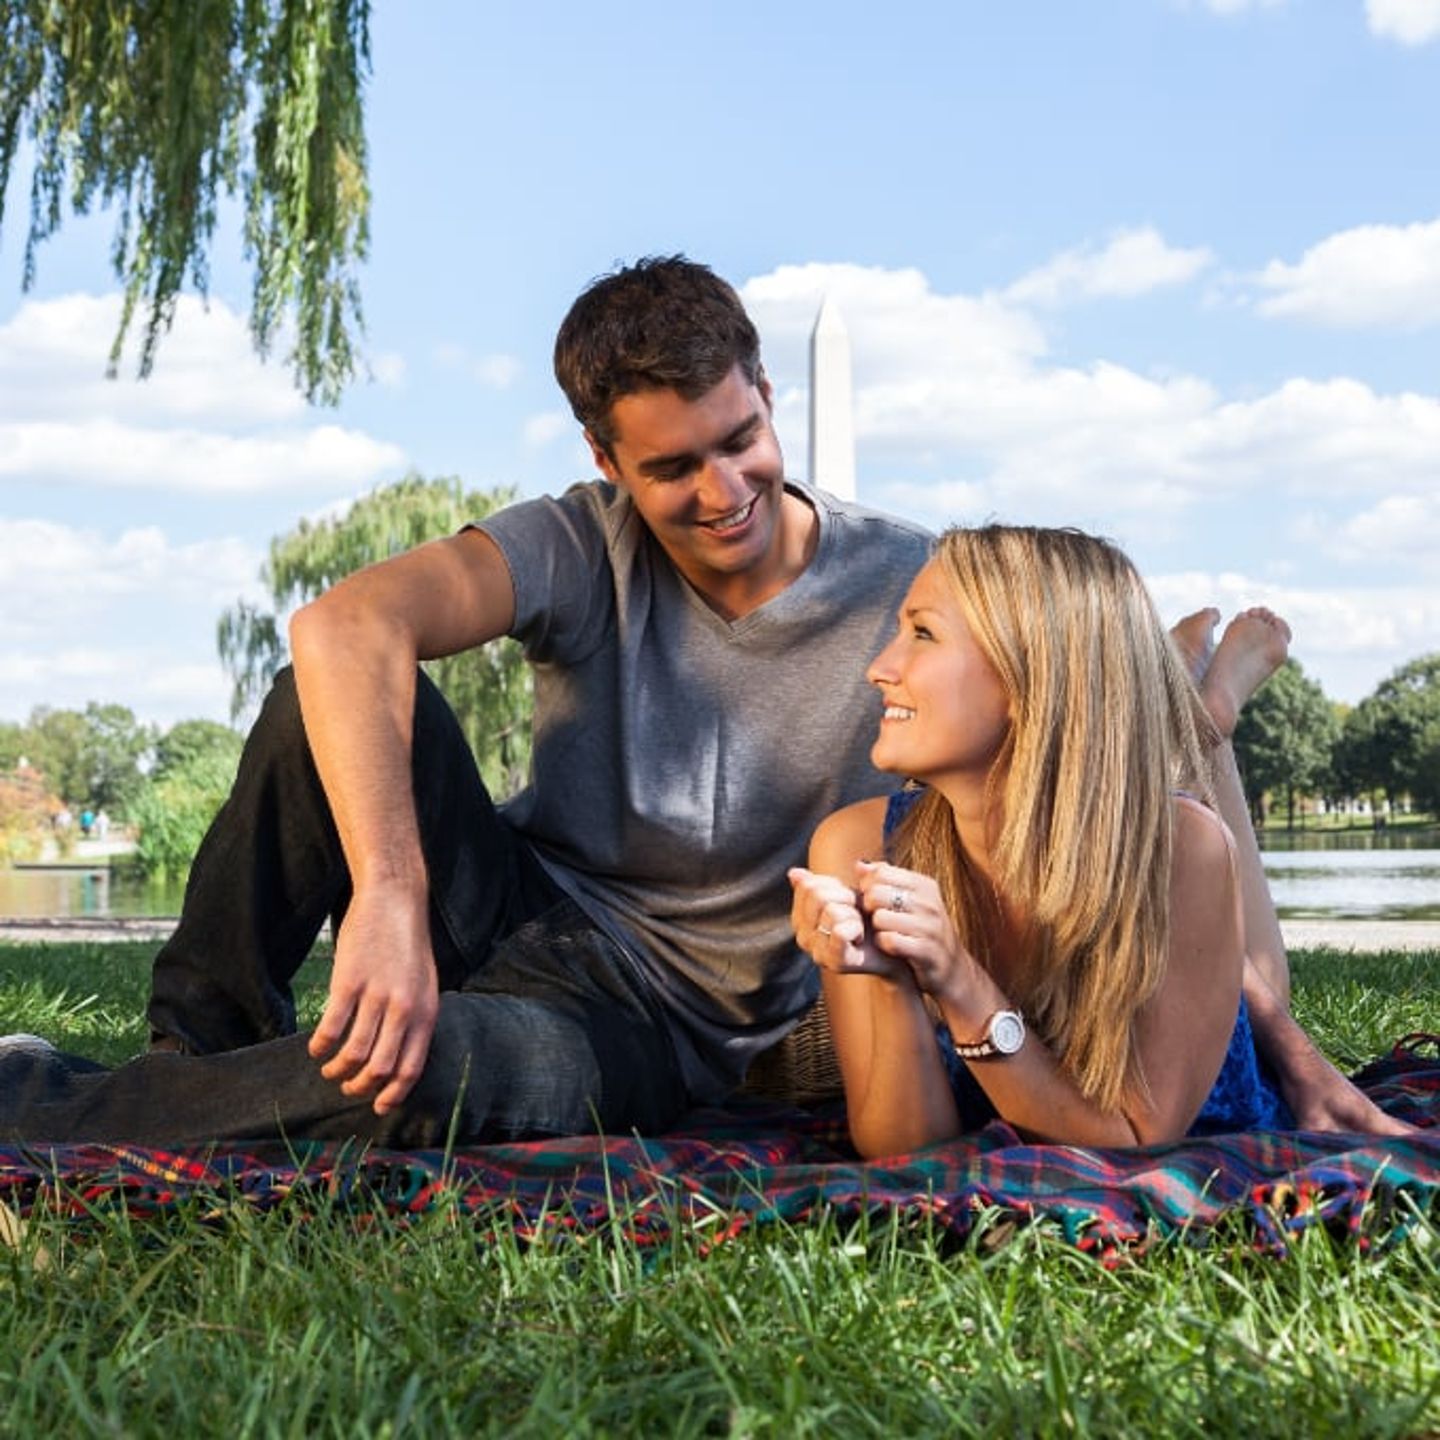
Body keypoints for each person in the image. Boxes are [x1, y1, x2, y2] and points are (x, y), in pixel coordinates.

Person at [0, 258, 1399, 1147]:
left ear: (769, 395)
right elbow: (344, 622)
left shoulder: (919, 589)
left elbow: (1122, 768)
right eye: (673, 469)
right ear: (606, 458)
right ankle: (193, 1051)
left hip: (655, 1027)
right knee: (328, 689)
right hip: (520, 907)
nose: (724, 492)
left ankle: (54, 1102)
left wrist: (1271, 1028)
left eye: (743, 439)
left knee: (408, 1078)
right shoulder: (576, 540)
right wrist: (391, 894)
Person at [789, 526, 1413, 1154]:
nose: (879, 669)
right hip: (1125, 832)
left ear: (1029, 676)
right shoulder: (859, 847)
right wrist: (890, 979)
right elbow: (901, 1152)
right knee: (1252, 975)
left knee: (1259, 981)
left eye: (923, 633)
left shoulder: (1181, 847)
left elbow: (1132, 1139)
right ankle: (1191, 713)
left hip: (1202, 1092)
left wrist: (958, 979)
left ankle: (1203, 729)